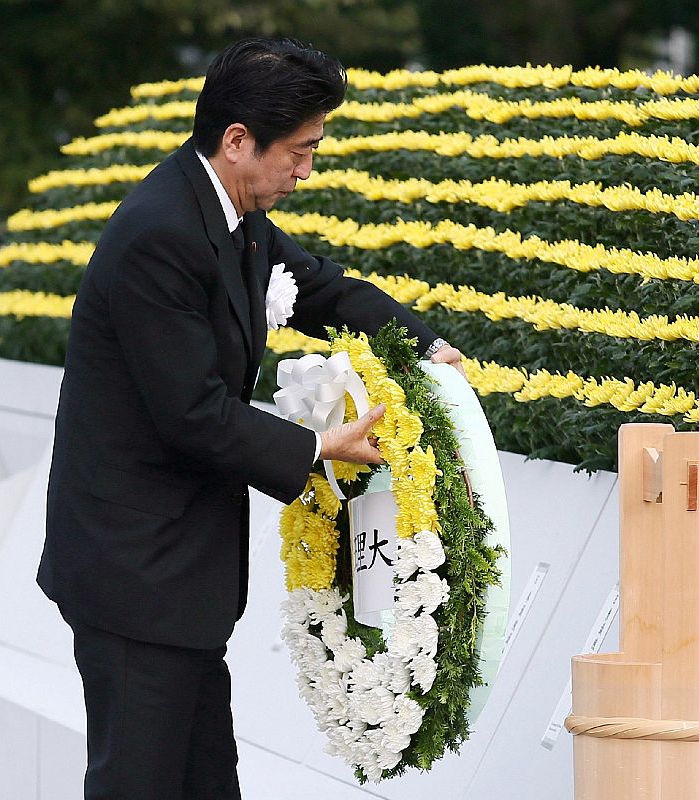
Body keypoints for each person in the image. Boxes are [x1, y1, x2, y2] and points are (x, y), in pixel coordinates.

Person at [37, 36, 463, 800]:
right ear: (238, 141)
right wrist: (321, 445)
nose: (307, 171)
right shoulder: (159, 233)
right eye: (299, 151)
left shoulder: (236, 214)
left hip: (179, 578)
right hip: (134, 572)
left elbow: (325, 290)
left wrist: (427, 348)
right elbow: (192, 414)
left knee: (204, 783)